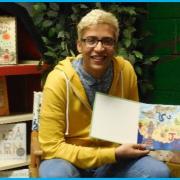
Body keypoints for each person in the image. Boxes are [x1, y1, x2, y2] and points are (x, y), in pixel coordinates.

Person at [38, 9, 170, 177]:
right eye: (91, 40)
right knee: (55, 175)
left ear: (115, 45)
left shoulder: (126, 71)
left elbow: (131, 127)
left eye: (107, 41)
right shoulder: (59, 79)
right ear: (79, 45)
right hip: (69, 161)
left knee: (158, 172)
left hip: (114, 161)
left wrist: (156, 135)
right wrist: (112, 154)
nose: (99, 48)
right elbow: (51, 147)